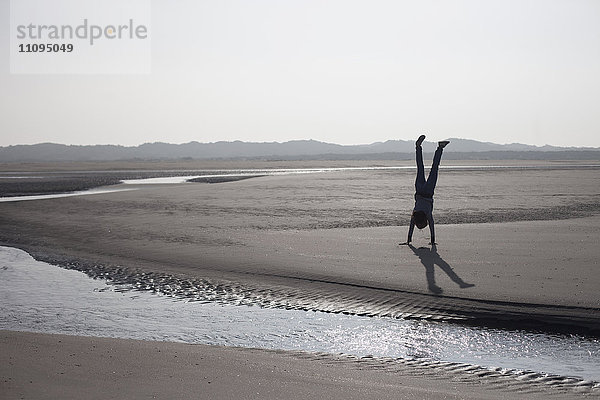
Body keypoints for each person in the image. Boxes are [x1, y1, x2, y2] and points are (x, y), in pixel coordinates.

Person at [401, 135, 449, 245]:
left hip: (428, 192)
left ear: (424, 221)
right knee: (420, 167)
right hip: (419, 189)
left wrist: (433, 240)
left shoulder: (427, 213)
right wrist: (408, 239)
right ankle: (418, 147)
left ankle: (440, 147)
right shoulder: (415, 213)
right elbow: (411, 227)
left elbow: (432, 225)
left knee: (434, 168)